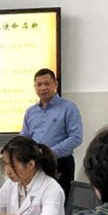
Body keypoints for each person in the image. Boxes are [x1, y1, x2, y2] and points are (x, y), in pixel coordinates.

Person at [19, 68, 83, 199]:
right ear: (35, 87)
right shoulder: (30, 112)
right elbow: (24, 138)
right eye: (39, 84)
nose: (43, 88)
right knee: (35, 202)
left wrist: (50, 153)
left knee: (60, 201)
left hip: (61, 164)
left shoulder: (68, 108)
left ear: (55, 84)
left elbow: (76, 137)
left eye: (47, 84)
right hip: (36, 165)